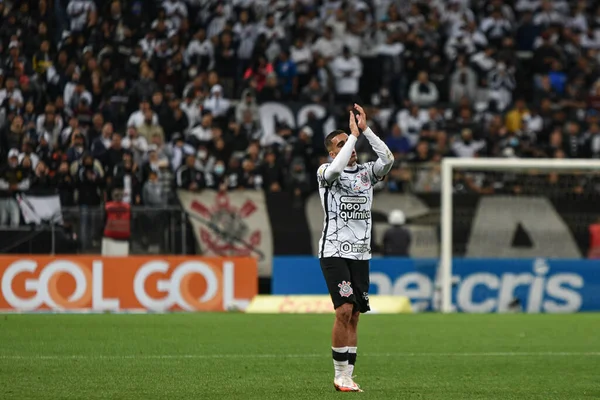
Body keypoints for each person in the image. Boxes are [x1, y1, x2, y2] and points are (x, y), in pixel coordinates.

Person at [316, 104, 394, 392]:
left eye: (349, 142)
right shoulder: (326, 171)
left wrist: (365, 131)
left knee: (356, 314)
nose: (349, 146)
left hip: (361, 254)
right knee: (344, 309)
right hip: (334, 250)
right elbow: (335, 169)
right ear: (332, 152)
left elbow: (387, 158)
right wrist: (350, 136)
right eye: (340, 144)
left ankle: (348, 376)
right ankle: (338, 375)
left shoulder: (366, 174)